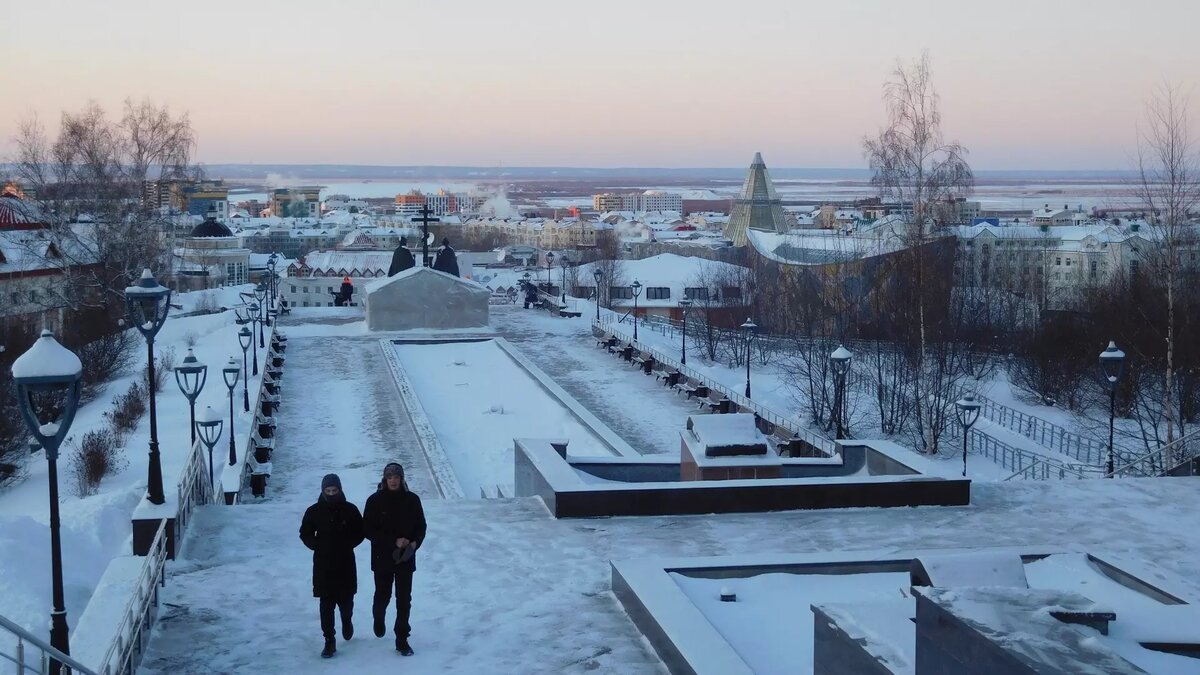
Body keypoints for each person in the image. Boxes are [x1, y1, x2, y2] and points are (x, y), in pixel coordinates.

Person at [362, 462, 427, 655]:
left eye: (396, 477)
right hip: (382, 558)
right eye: (390, 477)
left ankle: (402, 639)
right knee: (383, 595)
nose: (393, 481)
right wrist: (393, 541)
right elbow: (367, 530)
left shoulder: (412, 499)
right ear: (385, 479)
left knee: (404, 600)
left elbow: (421, 525)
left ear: (402, 478)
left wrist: (415, 543)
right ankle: (378, 616)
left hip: (406, 557)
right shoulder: (374, 500)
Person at [299, 474, 365, 659]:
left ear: (340, 490)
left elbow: (360, 531)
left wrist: (347, 543)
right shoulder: (314, 511)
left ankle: (347, 621)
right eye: (328, 491)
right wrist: (316, 545)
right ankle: (329, 640)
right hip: (323, 564)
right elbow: (305, 532)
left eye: (334, 490)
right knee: (326, 605)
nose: (331, 494)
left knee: (346, 602)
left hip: (345, 562)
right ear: (322, 491)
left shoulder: (350, 510)